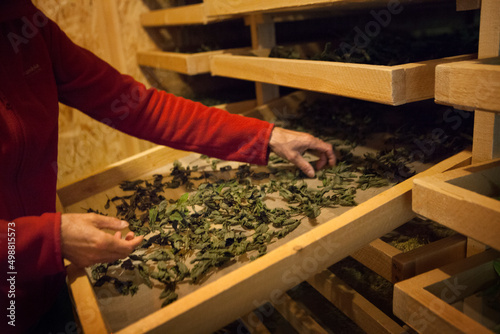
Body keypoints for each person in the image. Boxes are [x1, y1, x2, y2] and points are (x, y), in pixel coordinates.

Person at [0, 1, 336, 333]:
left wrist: (265, 136)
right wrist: (48, 239)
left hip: (44, 284)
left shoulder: (25, 26)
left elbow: (139, 107)